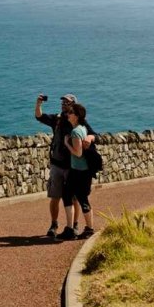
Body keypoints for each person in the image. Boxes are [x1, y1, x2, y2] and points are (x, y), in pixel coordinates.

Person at [35, 92, 95, 238]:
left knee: (74, 198)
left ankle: (74, 226)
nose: (63, 104)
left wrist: (89, 137)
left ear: (73, 105)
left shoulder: (77, 121)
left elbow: (94, 134)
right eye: (63, 102)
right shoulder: (57, 119)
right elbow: (39, 117)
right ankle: (54, 225)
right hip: (56, 164)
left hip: (71, 166)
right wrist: (38, 104)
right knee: (55, 197)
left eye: (67, 102)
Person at [59, 102, 96, 239]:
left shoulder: (75, 132)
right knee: (79, 197)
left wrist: (67, 143)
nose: (67, 114)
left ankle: (74, 229)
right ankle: (87, 229)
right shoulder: (82, 128)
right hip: (84, 171)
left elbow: (78, 153)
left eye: (70, 113)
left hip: (78, 171)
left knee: (71, 196)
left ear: (76, 116)